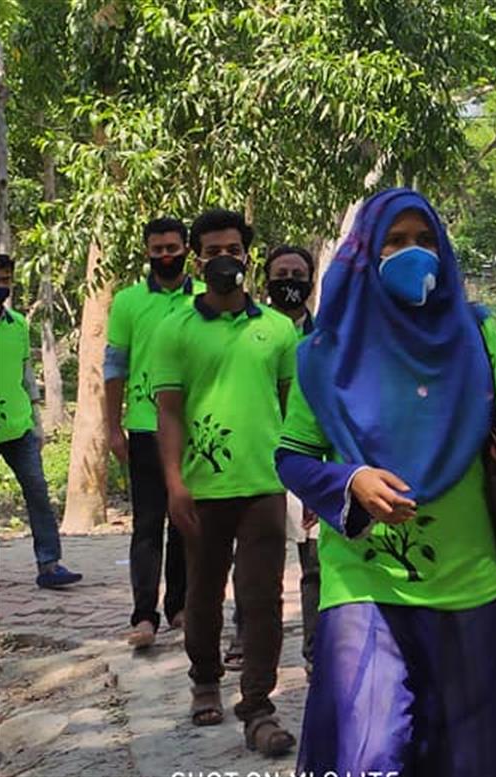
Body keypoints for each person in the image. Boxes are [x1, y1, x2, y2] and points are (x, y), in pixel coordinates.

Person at [275, 188, 496, 776]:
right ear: (366, 253)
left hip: (466, 584)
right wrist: (353, 480)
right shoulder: (323, 354)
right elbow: (291, 458)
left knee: (470, 758)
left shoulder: (477, 337)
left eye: (424, 241)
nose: (413, 254)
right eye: (395, 241)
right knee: (369, 752)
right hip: (363, 584)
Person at [151, 209, 299, 756]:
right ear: (197, 258)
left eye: (232, 250)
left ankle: (258, 707)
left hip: (264, 484)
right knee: (203, 593)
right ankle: (204, 681)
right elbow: (168, 413)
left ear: (247, 255)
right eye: (211, 251)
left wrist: (303, 477)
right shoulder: (175, 329)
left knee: (262, 599)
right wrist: (174, 484)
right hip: (201, 489)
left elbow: (292, 408)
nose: (223, 260)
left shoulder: (279, 330)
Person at [107, 217, 201, 649]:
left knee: (184, 522)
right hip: (144, 427)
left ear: (186, 248)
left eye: (172, 247)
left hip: (195, 429)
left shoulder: (205, 299)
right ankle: (144, 615)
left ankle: (180, 606)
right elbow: (114, 368)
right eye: (157, 248)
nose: (166, 255)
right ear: (146, 251)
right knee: (147, 523)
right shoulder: (127, 302)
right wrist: (112, 429)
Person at [0, 253, 82, 590]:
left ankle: (50, 564)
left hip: (19, 428)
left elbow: (26, 373)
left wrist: (37, 418)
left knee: (38, 493)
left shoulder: (18, 324)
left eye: (5, 280)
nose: (0, 286)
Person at [264, 244, 320, 675]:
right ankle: (247, 640)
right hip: (257, 460)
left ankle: (316, 651)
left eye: (297, 274)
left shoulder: (325, 340)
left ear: (311, 280)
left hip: (309, 462)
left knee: (314, 564)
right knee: (255, 563)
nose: (289, 282)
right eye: (281, 273)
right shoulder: (250, 334)